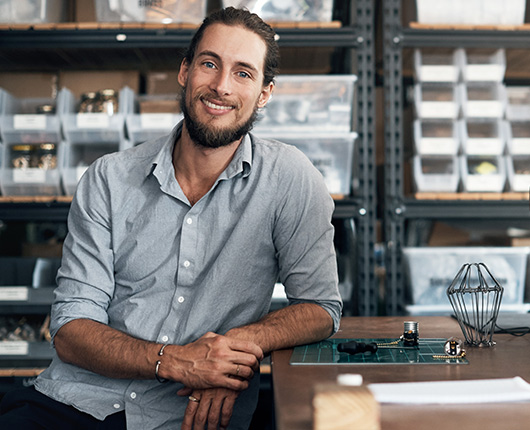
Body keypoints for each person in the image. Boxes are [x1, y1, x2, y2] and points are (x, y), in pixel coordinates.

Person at [0, 6, 342, 430]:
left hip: (190, 417)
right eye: (210, 64)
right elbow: (71, 328)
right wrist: (178, 363)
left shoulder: (290, 178)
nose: (220, 87)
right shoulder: (109, 178)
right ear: (185, 71)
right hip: (74, 402)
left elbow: (320, 307)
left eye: (243, 73)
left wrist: (231, 352)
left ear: (265, 93)